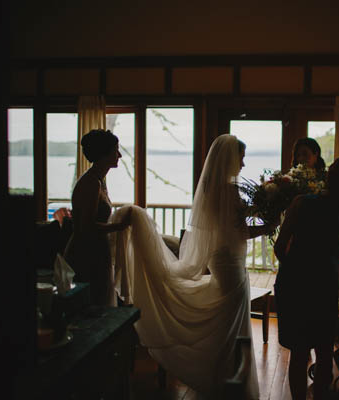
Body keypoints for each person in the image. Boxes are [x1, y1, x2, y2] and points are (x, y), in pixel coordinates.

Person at [109, 134, 277, 399]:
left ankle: (225, 376)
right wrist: (269, 225)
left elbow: (227, 225)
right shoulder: (230, 191)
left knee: (228, 321)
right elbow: (240, 232)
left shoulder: (212, 189)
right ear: (230, 159)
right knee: (233, 321)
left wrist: (259, 208)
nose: (243, 164)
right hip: (231, 264)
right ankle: (231, 381)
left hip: (220, 260)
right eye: (241, 158)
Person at [273, 155, 339, 400]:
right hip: (325, 290)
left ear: (328, 176)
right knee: (325, 352)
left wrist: (295, 271)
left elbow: (279, 247)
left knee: (298, 353)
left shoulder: (299, 203)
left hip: (294, 287)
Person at [63, 129, 132, 306]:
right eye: (115, 150)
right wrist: (119, 226)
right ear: (104, 154)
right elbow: (85, 227)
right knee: (92, 306)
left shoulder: (98, 180)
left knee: (100, 302)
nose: (120, 155)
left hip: (97, 251)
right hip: (86, 254)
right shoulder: (91, 183)